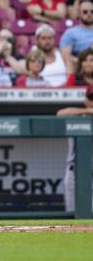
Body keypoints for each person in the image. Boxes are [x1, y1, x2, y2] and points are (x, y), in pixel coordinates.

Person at [56, 84, 93, 212]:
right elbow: (60, 114)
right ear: (86, 100)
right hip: (74, 172)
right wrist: (87, 111)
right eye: (91, 98)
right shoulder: (77, 117)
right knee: (72, 214)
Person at [3, 24, 68, 87]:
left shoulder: (61, 55)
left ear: (54, 39)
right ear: (37, 40)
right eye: (43, 38)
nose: (47, 41)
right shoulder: (32, 55)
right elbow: (20, 67)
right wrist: (8, 56)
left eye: (50, 38)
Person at [61, 1, 93, 74]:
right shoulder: (70, 33)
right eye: (85, 12)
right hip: (79, 68)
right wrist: (85, 62)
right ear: (79, 13)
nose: (89, 14)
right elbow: (66, 56)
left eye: (92, 11)